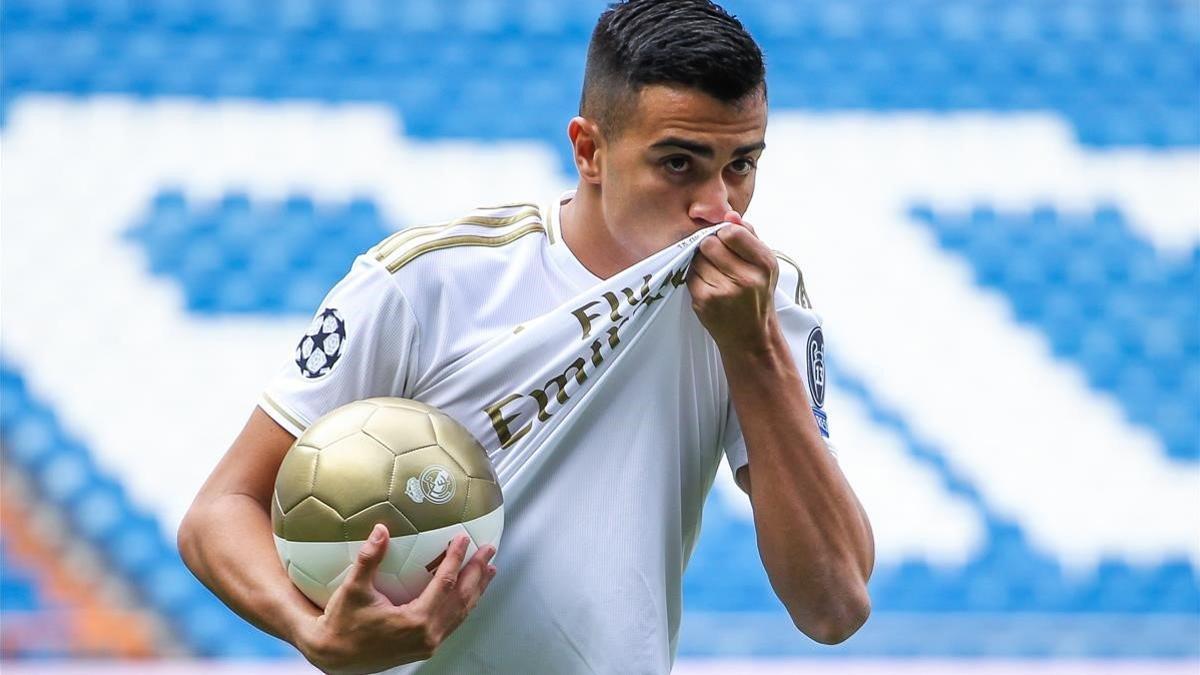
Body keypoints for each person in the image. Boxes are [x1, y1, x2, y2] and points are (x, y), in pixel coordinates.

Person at [177, 0, 874, 672]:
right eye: (678, 163)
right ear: (589, 149)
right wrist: (311, 630)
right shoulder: (430, 279)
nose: (717, 207)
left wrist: (752, 351)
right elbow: (220, 510)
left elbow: (834, 604)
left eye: (741, 166)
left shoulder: (761, 301)